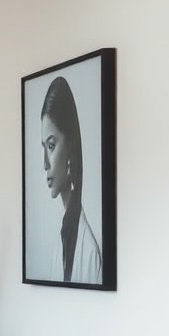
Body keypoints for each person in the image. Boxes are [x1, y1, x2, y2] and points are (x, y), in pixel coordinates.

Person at [40, 76, 102, 284]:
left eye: (51, 145)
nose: (45, 164)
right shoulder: (59, 246)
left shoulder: (90, 251)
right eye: (44, 147)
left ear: (70, 147)